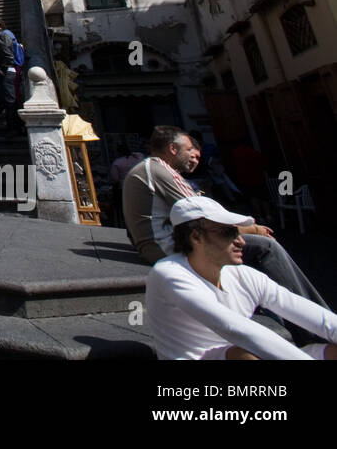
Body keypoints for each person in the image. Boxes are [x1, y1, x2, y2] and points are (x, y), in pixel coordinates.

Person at [123, 126, 328, 313]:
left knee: (243, 250)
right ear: (173, 149)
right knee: (265, 247)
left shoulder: (153, 168)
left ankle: (274, 308)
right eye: (189, 151)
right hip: (164, 246)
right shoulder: (158, 170)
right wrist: (252, 230)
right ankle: (313, 315)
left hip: (161, 243)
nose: (194, 160)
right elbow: (200, 214)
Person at [145, 196, 337, 360]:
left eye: (237, 232)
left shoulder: (244, 275)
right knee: (242, 355)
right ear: (196, 237)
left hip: (247, 353)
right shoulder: (169, 273)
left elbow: (321, 319)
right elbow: (237, 329)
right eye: (229, 233)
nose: (241, 241)